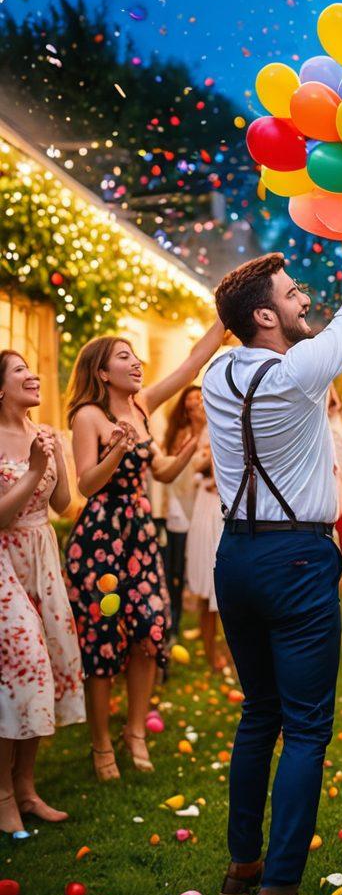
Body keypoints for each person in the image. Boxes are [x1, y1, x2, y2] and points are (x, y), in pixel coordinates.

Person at [202, 182, 342, 895]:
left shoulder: (216, 377)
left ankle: (239, 865)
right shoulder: (298, 373)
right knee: (307, 727)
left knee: (258, 712)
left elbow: (335, 323)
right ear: (266, 317)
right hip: (294, 558)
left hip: (235, 558)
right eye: (291, 295)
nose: (303, 301)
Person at [65, 320, 223, 782]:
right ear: (101, 373)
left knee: (149, 632)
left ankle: (135, 732)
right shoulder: (88, 417)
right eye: (124, 357)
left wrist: (225, 320)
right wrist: (114, 450)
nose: (136, 363)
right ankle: (100, 746)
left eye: (136, 356)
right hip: (100, 538)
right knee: (101, 640)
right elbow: (87, 483)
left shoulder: (142, 406)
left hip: (139, 534)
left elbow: (191, 365)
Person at [0, 351, 85, 835]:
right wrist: (33, 468)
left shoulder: (45, 434)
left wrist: (58, 458)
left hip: (41, 558)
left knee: (44, 667)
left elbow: (59, 503)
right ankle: (3, 795)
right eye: (19, 371)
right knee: (22, 667)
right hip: (4, 559)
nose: (33, 374)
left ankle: (27, 789)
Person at [185, 420, 228, 672]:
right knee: (206, 581)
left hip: (228, 507)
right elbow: (194, 467)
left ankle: (235, 654)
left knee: (232, 586)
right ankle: (211, 653)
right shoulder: (203, 430)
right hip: (207, 506)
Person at [162, 386, 205, 639]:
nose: (194, 401)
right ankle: (174, 621)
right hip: (180, 502)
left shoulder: (212, 429)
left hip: (202, 500)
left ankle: (200, 618)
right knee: (176, 568)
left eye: (198, 397)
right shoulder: (179, 433)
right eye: (190, 397)